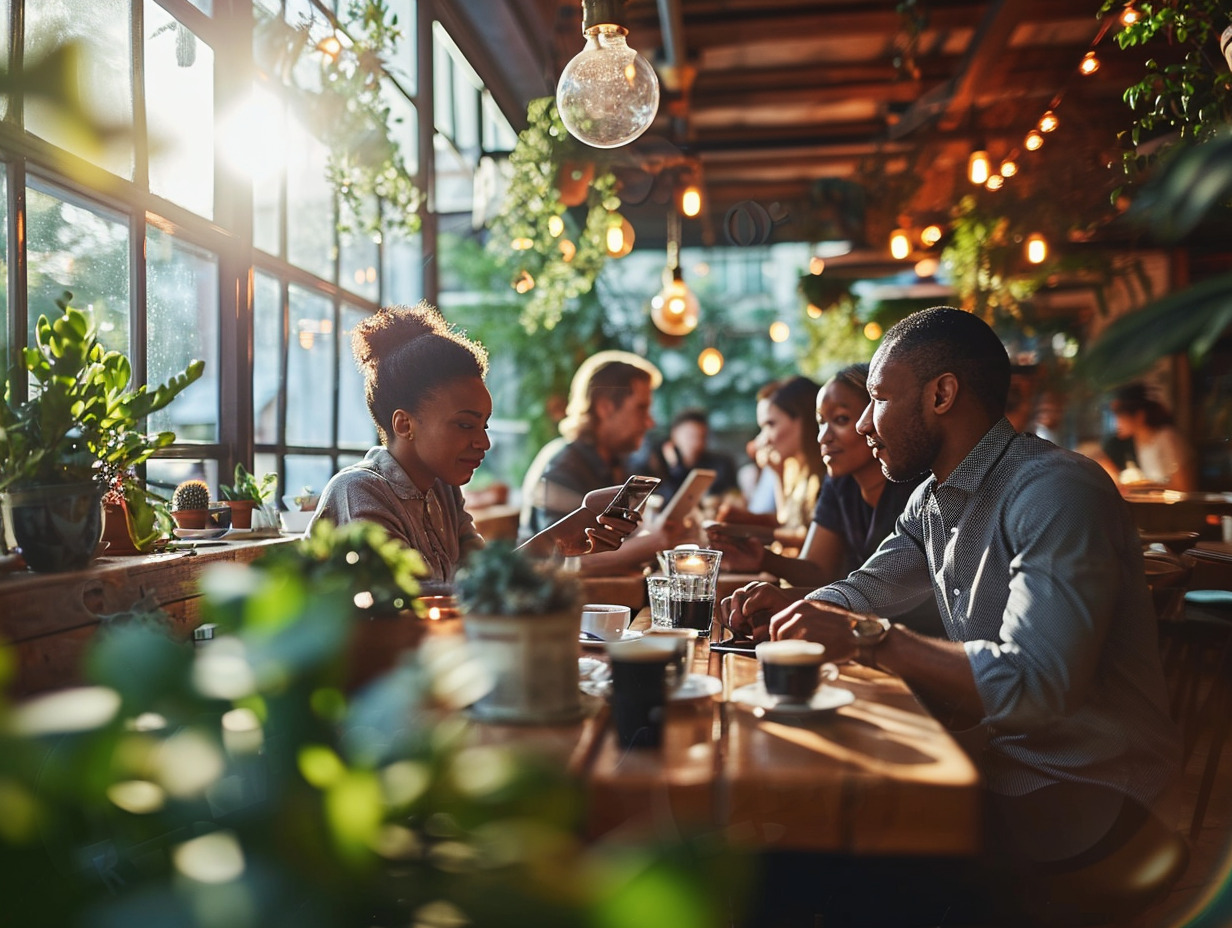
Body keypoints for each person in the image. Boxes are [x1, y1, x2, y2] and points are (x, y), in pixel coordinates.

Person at [723, 307, 1180, 885]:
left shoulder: (1055, 491)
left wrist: (868, 638)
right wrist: (795, 607)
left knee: (810, 857)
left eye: (878, 400)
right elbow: (867, 586)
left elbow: (1036, 687)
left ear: (941, 395)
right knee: (781, 830)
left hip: (1091, 795)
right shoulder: (932, 502)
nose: (864, 425)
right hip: (997, 764)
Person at [309, 304, 634, 585]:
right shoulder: (357, 491)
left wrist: (564, 540)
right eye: (465, 424)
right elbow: (408, 607)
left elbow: (484, 581)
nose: (484, 442)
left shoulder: (443, 490)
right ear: (404, 424)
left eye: (484, 425)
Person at [707, 365, 941, 635]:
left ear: (878, 418)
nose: (823, 437)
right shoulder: (839, 481)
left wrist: (794, 599)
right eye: (820, 422)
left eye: (841, 419)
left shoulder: (917, 488)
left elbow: (887, 596)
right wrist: (765, 560)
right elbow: (819, 570)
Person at [518, 350, 693, 573]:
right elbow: (560, 563)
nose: (650, 422)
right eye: (641, 408)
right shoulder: (562, 467)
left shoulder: (614, 462)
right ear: (605, 408)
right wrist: (654, 542)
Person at [714, 376, 824, 551]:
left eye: (770, 424)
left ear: (802, 419)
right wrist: (777, 472)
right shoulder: (793, 468)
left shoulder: (827, 472)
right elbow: (787, 522)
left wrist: (746, 532)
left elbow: (810, 539)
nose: (762, 439)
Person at [629, 407, 739, 502]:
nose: (696, 443)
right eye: (690, 436)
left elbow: (733, 495)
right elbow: (666, 504)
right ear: (674, 435)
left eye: (702, 437)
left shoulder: (720, 465)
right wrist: (676, 469)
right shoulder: (655, 462)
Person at [1110, 382, 1197, 490]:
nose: (1116, 424)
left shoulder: (1167, 438)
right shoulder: (1137, 442)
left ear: (1139, 416)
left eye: (1121, 417)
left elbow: (1184, 487)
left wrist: (1141, 487)